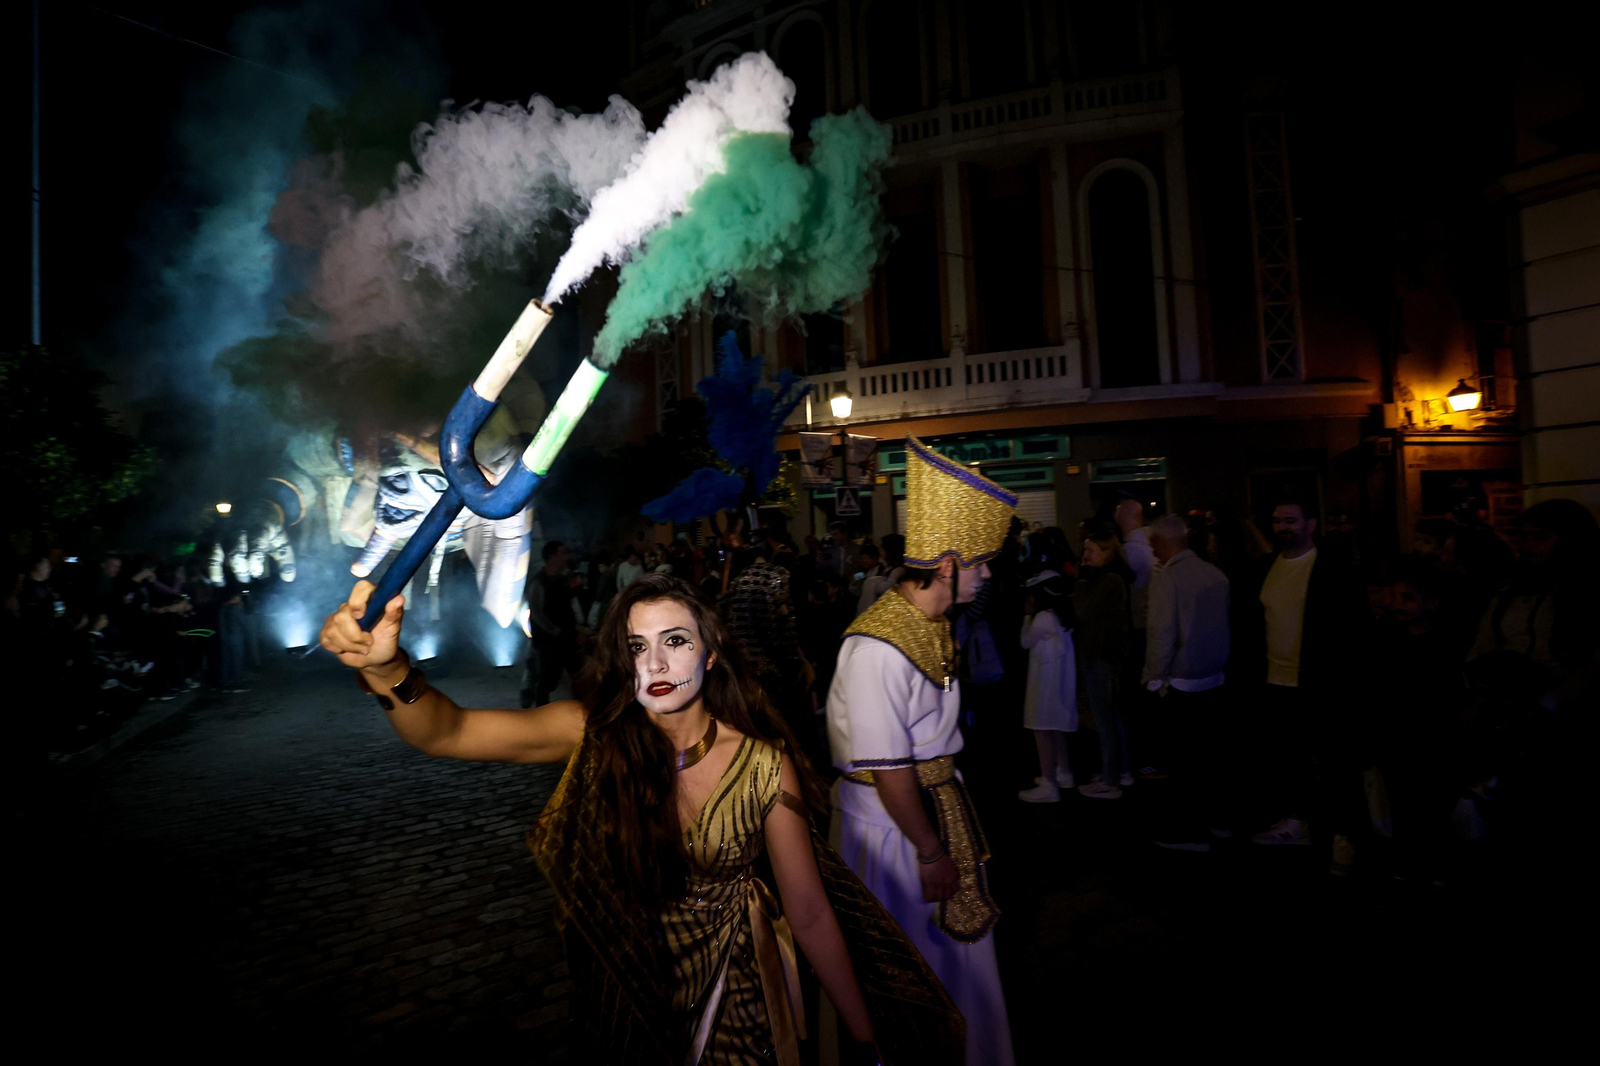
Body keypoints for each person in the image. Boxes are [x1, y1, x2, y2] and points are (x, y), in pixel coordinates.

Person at [319, 572, 961, 1064]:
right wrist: (389, 669)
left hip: (734, 997)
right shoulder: (592, 735)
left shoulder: (764, 767)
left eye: (674, 642)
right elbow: (447, 732)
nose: (653, 664)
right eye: (637, 647)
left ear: (710, 655)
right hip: (622, 996)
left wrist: (864, 1035)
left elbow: (812, 913)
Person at [827, 435, 1017, 1066]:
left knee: (954, 964)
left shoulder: (931, 623)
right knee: (913, 968)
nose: (988, 573)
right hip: (892, 832)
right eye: (981, 561)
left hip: (924, 815)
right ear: (946, 563)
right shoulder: (878, 649)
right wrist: (931, 852)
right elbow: (889, 769)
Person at [1244, 493, 1371, 865]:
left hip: (1321, 684)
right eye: (1278, 521)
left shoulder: (1334, 568)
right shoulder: (1265, 567)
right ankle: (1297, 824)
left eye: (1291, 521)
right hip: (1275, 680)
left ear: (1311, 524)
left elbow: (1356, 631)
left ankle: (1347, 835)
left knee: (1335, 764)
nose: (1283, 528)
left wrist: (1351, 683)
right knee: (1289, 759)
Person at [1142, 514, 1232, 849]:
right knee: (1213, 758)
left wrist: (1153, 677)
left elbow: (1162, 635)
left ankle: (1190, 831)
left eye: (1154, 545)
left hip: (1182, 681)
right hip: (1215, 678)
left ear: (1164, 544)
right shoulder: (1215, 574)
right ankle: (1220, 821)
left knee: (1183, 761)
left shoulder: (1169, 579)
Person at [1073, 529, 1132, 799]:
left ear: (1107, 554)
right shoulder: (1112, 579)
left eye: (1090, 551)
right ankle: (1120, 770)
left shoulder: (1106, 581)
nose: (1083, 556)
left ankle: (1110, 780)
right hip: (1106, 656)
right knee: (1113, 717)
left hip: (1101, 657)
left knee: (1104, 719)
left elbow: (1082, 611)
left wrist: (1080, 583)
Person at [1017, 573, 1078, 802]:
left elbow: (1025, 641)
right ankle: (1063, 772)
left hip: (1045, 682)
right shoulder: (1062, 614)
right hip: (1059, 680)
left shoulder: (1042, 617)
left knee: (1042, 728)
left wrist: (1025, 616)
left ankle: (1048, 782)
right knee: (1056, 727)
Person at [522, 541, 579, 708]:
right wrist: (555, 631)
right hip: (548, 641)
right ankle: (541, 715)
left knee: (576, 673)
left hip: (567, 637)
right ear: (552, 556)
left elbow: (570, 605)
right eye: (563, 553)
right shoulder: (538, 582)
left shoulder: (563, 579)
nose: (567, 557)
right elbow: (537, 612)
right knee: (548, 679)